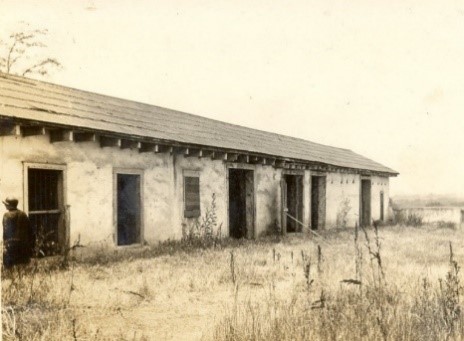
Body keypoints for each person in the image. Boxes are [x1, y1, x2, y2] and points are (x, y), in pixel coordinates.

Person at [2, 197, 32, 268]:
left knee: (10, 270)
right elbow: (30, 231)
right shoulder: (23, 215)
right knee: (22, 268)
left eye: (6, 204)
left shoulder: (6, 216)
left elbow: (6, 232)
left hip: (10, 247)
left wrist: (5, 245)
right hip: (22, 246)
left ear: (9, 205)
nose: (5, 206)